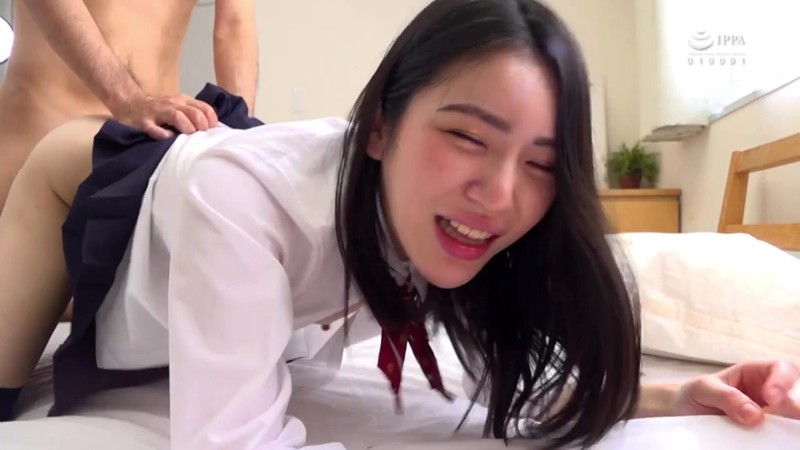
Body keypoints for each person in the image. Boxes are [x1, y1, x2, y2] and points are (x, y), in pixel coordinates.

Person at [0, 1, 798, 449]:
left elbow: (513, 372)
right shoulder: (245, 203)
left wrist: (676, 393)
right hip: (77, 175)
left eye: (541, 163)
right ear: (380, 125)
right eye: (467, 137)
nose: (498, 193)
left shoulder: (467, 225)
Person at [0, 0, 258, 212]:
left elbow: (234, 23)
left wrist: (240, 134)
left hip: (150, 148)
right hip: (44, 126)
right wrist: (129, 100)